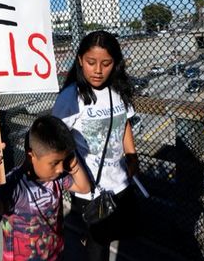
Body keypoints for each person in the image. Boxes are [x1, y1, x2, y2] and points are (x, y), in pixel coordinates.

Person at [51, 30, 140, 261]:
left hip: (120, 181)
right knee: (97, 247)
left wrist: (132, 155)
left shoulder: (119, 92)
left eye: (106, 63)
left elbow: (125, 124)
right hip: (89, 188)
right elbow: (55, 139)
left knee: (112, 233)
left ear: (116, 63)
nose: (98, 70)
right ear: (80, 60)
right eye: (91, 62)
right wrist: (74, 172)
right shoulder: (71, 97)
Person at [0, 115, 91, 261]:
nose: (61, 168)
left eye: (63, 161)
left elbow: (84, 188)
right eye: (55, 163)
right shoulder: (14, 184)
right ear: (31, 156)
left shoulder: (56, 178)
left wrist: (72, 160)